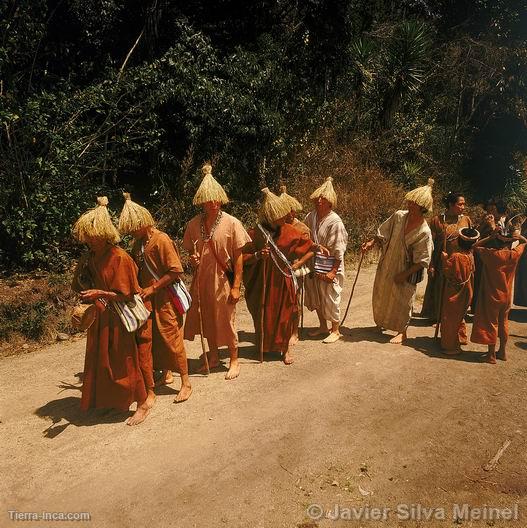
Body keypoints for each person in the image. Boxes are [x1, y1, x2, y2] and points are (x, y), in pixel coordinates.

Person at [71, 196, 147, 424]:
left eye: (93, 237)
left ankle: (142, 403)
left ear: (104, 235)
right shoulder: (91, 257)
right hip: (99, 318)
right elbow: (82, 284)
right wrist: (84, 282)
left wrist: (100, 293)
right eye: (87, 238)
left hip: (118, 318)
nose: (89, 241)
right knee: (102, 362)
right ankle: (116, 402)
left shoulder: (120, 257)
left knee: (125, 361)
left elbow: (128, 294)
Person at [118, 193, 191, 421]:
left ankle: (186, 382)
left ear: (143, 224)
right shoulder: (138, 244)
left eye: (133, 228)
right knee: (153, 342)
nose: (131, 233)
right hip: (148, 302)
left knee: (171, 340)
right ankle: (165, 375)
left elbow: (176, 270)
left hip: (165, 299)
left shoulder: (161, 240)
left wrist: (153, 288)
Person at [183, 163, 251, 380]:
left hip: (223, 281)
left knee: (226, 319)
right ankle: (213, 356)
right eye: (208, 199)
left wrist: (236, 286)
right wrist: (192, 259)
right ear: (202, 201)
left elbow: (239, 258)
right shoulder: (194, 225)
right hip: (201, 281)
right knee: (206, 319)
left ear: (221, 199)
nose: (212, 203)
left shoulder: (232, 223)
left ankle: (233, 359)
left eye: (216, 198)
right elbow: (191, 253)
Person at [242, 188, 319, 364]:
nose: (285, 217)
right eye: (281, 215)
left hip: (283, 280)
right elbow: (242, 257)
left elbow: (305, 245)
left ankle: (285, 350)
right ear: (270, 216)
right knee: (264, 313)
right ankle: (264, 346)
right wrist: (257, 256)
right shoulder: (256, 233)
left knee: (286, 313)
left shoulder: (290, 231)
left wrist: (315, 248)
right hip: (263, 281)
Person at [362, 179, 434, 344]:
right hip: (387, 263)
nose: (410, 204)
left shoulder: (424, 231)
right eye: (410, 201)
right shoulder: (399, 216)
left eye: (414, 203)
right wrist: (371, 243)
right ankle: (381, 323)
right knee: (382, 293)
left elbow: (423, 260)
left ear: (422, 207)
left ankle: (402, 331)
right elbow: (383, 233)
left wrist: (404, 274)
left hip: (405, 269)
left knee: (403, 299)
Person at [471, 222, 527, 363]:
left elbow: (475, 246)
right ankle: (502, 351)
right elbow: (525, 242)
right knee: (503, 323)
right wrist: (517, 236)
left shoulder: (492, 255)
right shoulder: (514, 254)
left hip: (492, 296)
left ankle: (491, 354)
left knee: (491, 323)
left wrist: (491, 237)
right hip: (507, 296)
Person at [304, 177, 349, 344]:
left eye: (323, 199)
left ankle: (336, 330)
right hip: (314, 263)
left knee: (331, 296)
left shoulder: (335, 222)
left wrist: (332, 271)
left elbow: (339, 250)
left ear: (330, 203)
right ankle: (323, 326)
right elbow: (305, 236)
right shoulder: (311, 216)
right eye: (317, 199)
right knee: (316, 296)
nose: (319, 201)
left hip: (331, 264)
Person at [421, 192, 472, 322]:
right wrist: (431, 264)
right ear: (450, 204)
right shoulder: (438, 221)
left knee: (459, 289)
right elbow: (430, 244)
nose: (463, 207)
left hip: (460, 263)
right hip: (441, 262)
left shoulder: (466, 220)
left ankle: (457, 316)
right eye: (460, 204)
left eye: (464, 204)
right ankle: (438, 317)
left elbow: (471, 242)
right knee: (441, 288)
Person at [439, 227, 479, 354]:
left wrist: (444, 259)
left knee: (450, 317)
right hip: (467, 291)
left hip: (454, 292)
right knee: (460, 315)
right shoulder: (471, 256)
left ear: (458, 242)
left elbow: (448, 271)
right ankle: (461, 337)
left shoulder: (456, 257)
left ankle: (450, 346)